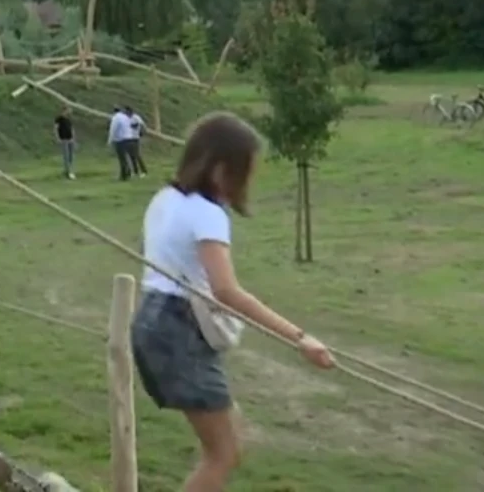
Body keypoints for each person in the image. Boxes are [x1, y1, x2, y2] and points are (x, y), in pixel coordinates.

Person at [131, 112, 334, 491]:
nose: (247, 183)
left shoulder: (164, 199)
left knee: (230, 438)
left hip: (150, 320)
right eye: (246, 173)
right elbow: (226, 291)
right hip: (179, 330)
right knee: (224, 453)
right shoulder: (208, 214)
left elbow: (154, 255)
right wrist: (299, 337)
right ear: (221, 168)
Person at [124, 106, 149, 176]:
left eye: (127, 112)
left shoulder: (136, 117)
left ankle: (144, 171)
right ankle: (136, 172)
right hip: (129, 138)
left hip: (135, 138)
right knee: (131, 156)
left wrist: (142, 132)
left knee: (137, 155)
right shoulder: (126, 119)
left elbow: (142, 125)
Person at [53, 106, 76, 179]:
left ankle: (70, 170)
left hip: (70, 139)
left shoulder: (68, 120)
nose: (69, 112)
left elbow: (71, 129)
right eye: (68, 111)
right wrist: (58, 138)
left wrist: (73, 137)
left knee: (71, 156)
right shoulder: (59, 119)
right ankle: (67, 172)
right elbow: (56, 128)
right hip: (64, 139)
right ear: (64, 111)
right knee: (66, 156)